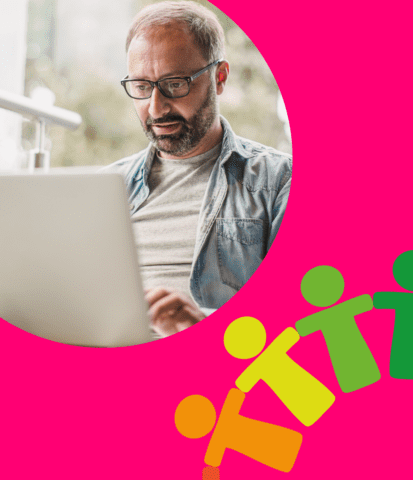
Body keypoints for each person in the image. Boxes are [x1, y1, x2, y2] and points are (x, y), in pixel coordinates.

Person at [106, 1, 290, 337]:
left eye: (175, 84)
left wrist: (200, 328)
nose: (156, 107)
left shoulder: (277, 181)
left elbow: (298, 319)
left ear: (219, 78)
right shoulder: (104, 187)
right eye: (142, 87)